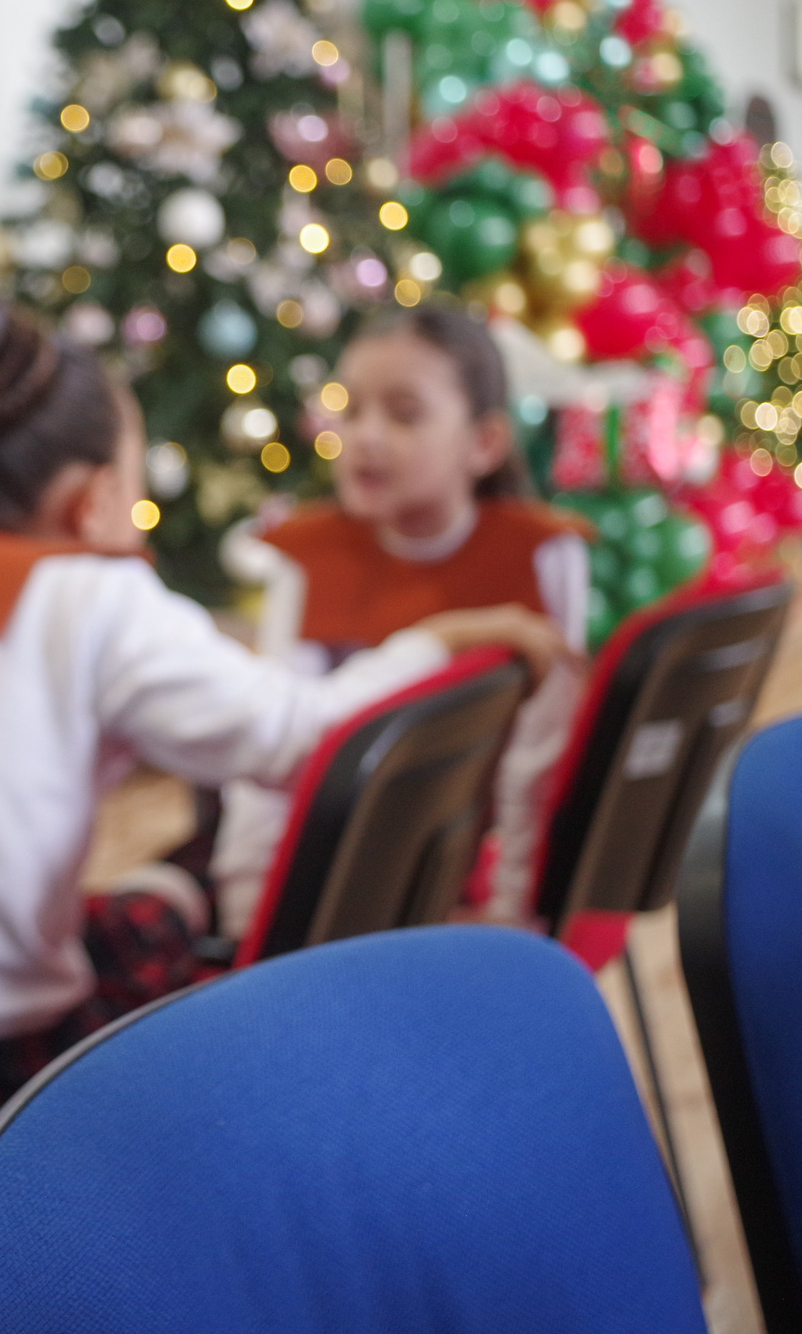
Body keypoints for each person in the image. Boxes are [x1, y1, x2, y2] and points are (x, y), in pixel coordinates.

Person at [0, 287, 566, 1137]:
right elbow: (302, 739)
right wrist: (436, 639)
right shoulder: (90, 596)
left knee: (141, 909)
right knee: (187, 992)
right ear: (92, 501)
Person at [217, 300, 588, 927]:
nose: (365, 437)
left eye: (404, 414)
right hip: (323, 876)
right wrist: (249, 923)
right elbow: (270, 770)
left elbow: (540, 759)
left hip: (463, 875)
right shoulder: (306, 558)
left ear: (485, 441)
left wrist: (516, 912)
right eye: (351, 409)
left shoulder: (541, 554)